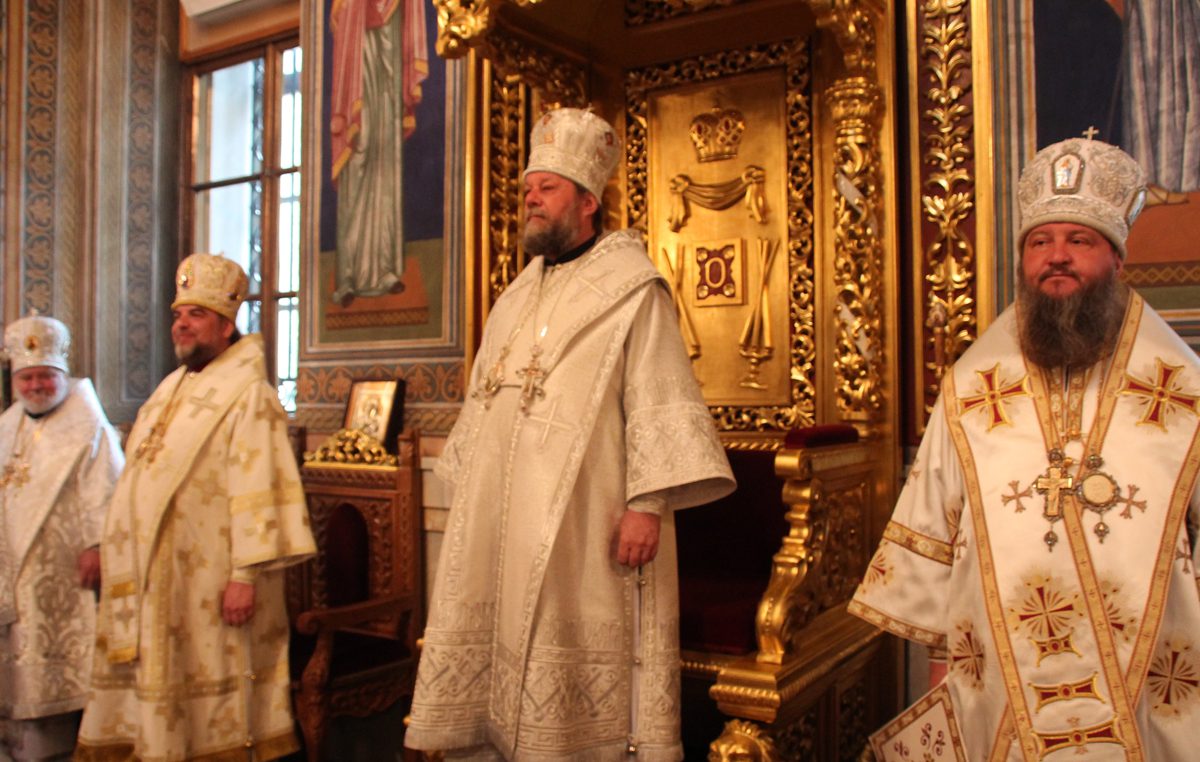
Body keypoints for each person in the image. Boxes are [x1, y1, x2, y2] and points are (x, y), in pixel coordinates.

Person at [849, 136, 1200, 760]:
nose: (1056, 256)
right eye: (1040, 242)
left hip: (1150, 683)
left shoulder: (1185, 389)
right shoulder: (970, 387)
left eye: (1079, 240)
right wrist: (941, 676)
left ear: (1118, 260)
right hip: (996, 682)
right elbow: (935, 536)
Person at [405, 108, 736, 761]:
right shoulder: (514, 297)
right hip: (505, 517)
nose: (531, 198)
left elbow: (657, 397)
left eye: (547, 188)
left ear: (586, 202)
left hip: (591, 516)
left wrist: (646, 504)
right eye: (528, 188)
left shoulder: (633, 289)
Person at [75, 254, 316, 761]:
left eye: (197, 315)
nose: (181, 324)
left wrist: (245, 576)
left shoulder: (249, 396)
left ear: (226, 326)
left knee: (209, 712)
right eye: (178, 315)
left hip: (211, 583)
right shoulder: (171, 388)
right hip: (156, 580)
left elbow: (262, 487)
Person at [0, 314, 122, 761]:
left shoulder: (89, 425)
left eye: (45, 376)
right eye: (27, 377)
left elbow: (108, 491)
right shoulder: (8, 424)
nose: (36, 385)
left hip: (64, 574)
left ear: (62, 375)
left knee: (56, 677)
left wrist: (97, 546)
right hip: (11, 572)